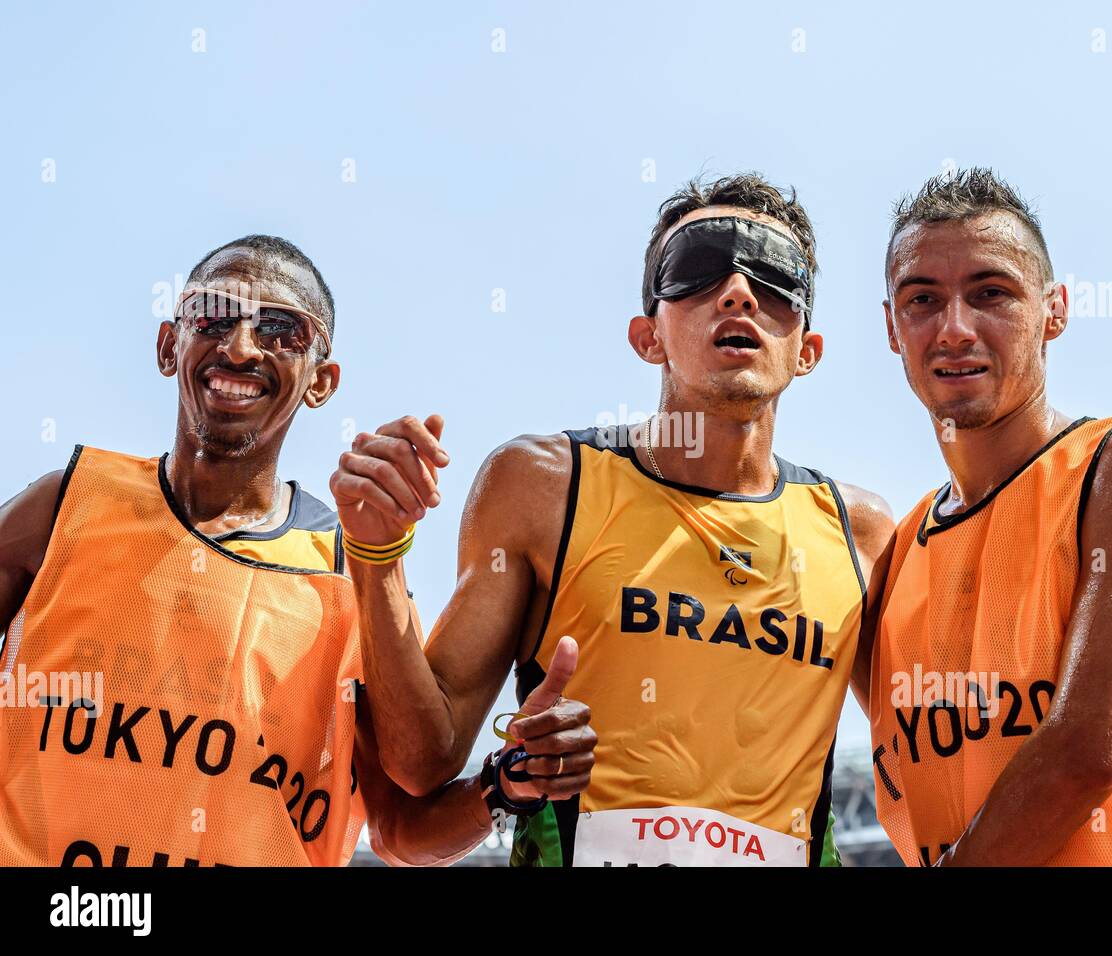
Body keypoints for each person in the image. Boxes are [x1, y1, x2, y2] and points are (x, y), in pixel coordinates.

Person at [332, 173, 895, 866]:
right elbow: (416, 776)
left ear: (807, 348)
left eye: (777, 280)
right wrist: (376, 554)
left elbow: (932, 761)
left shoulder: (860, 533)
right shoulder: (541, 487)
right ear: (646, 336)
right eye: (697, 268)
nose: (740, 292)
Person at [0, 235, 593, 866]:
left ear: (322, 383)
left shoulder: (348, 574)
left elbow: (400, 823)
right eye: (213, 313)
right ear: (170, 345)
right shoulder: (65, 505)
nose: (240, 346)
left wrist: (505, 785)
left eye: (282, 329)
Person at [858, 168, 1112, 866]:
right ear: (893, 329)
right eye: (922, 299)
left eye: (991, 293)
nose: (954, 328)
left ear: (1055, 310)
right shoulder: (895, 557)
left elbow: (1088, 751)